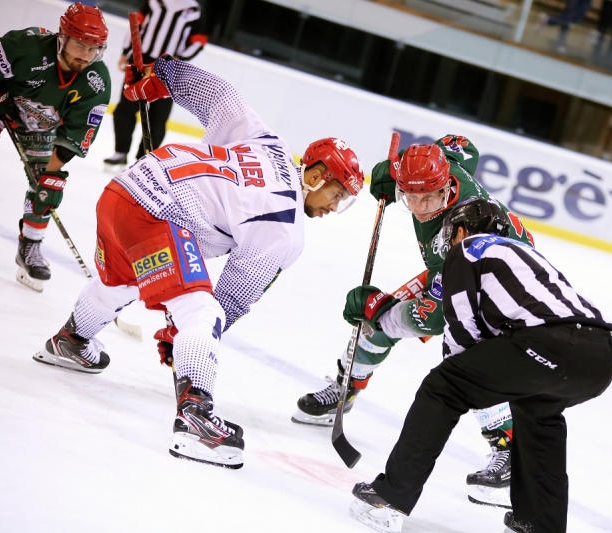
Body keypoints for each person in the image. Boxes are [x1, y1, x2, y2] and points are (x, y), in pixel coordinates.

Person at [31, 55, 365, 469]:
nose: (334, 208)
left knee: (123, 282)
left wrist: (163, 73)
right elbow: (231, 299)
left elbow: (218, 95)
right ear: (315, 176)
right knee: (203, 313)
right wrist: (182, 332)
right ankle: (195, 418)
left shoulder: (270, 143)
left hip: (122, 191)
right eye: (336, 195)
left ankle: (71, 340)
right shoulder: (285, 228)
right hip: (156, 216)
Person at [348, 197, 612, 533]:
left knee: (442, 388)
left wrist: (461, 384)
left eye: (451, 235)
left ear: (462, 230)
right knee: (538, 414)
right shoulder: (525, 255)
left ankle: (390, 498)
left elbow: (462, 334)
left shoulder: (469, 249)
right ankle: (539, 526)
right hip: (602, 357)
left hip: (548, 343)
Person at [292, 136, 536, 507]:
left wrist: (379, 306)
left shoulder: (459, 234)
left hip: (499, 287)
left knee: (466, 358)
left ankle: (510, 448)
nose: (420, 209)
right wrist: (399, 168)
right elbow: (464, 147)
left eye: (429, 199)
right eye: (410, 198)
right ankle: (346, 388)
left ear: (446, 188)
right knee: (377, 325)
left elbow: (432, 318)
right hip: (455, 271)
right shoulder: (443, 168)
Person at [0, 2, 111, 292]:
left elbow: (75, 135)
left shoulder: (96, 82)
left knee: (51, 184)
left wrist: (47, 178)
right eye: (80, 45)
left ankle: (30, 247)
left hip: (40, 128)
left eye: (94, 48)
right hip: (4, 107)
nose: (86, 55)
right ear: (62, 37)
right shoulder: (25, 47)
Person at [104, 0, 207, 171]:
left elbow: (199, 41)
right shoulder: (153, 1)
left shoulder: (194, 9)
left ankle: (144, 160)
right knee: (125, 108)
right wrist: (125, 52)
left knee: (158, 117)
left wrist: (179, 59)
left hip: (170, 67)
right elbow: (136, 25)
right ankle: (120, 152)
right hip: (141, 60)